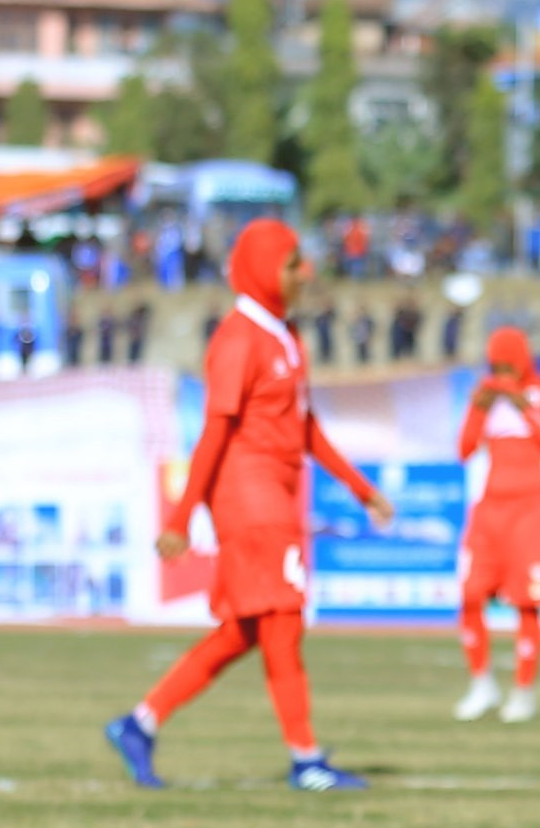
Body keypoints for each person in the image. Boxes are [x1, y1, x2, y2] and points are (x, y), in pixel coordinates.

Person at [107, 220, 383, 793]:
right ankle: (306, 760)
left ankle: (140, 723)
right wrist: (183, 516)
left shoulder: (283, 336)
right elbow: (213, 433)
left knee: (244, 631)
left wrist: (360, 487)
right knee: (282, 622)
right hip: (250, 498)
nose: (304, 274)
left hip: (277, 493)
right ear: (262, 269)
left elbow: (305, 428)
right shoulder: (237, 339)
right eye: (291, 264)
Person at [455, 323, 540, 722]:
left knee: (528, 603)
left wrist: (525, 405)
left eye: (509, 364)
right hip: (490, 509)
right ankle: (482, 684)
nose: (503, 372)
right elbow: (464, 448)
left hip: (530, 509)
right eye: (497, 365)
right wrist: (480, 405)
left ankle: (523, 692)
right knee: (471, 594)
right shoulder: (486, 396)